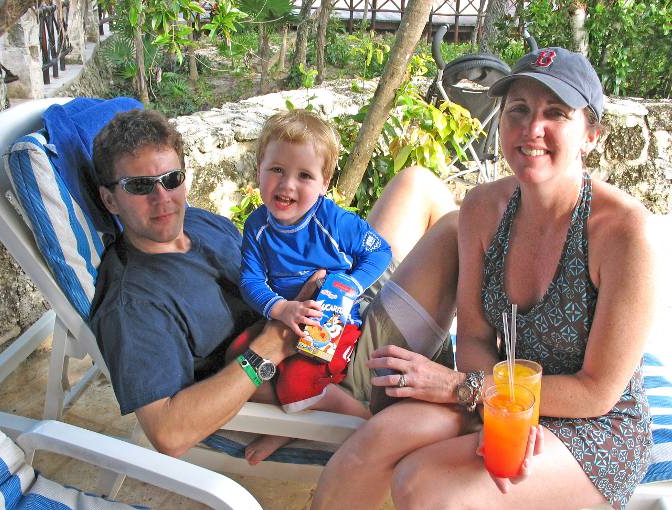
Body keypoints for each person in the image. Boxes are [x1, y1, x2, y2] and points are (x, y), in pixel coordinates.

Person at [311, 47, 655, 510]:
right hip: (498, 397)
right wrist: (500, 407)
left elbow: (596, 391)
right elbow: (474, 337)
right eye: (519, 110)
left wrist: (469, 390)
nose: (532, 128)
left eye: (555, 113)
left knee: (425, 484)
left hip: (594, 425)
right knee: (378, 440)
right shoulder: (483, 209)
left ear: (591, 135)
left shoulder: (623, 232)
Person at [88, 108, 457, 460]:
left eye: (171, 179)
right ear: (110, 199)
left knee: (417, 183)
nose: (162, 199)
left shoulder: (195, 222)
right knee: (455, 232)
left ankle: (453, 361)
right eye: (140, 186)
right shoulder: (133, 303)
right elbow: (168, 433)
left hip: (329, 302)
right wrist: (272, 346)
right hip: (326, 362)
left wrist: (333, 279)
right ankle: (472, 391)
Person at [231, 110, 392, 463]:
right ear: (258, 169)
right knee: (237, 360)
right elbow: (251, 280)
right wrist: (280, 308)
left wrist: (350, 284)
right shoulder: (257, 226)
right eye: (276, 169)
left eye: (304, 175)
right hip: (285, 318)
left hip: (331, 321)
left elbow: (380, 251)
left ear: (325, 183)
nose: (287, 185)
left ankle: (363, 422)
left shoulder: (334, 222)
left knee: (296, 383)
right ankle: (297, 414)